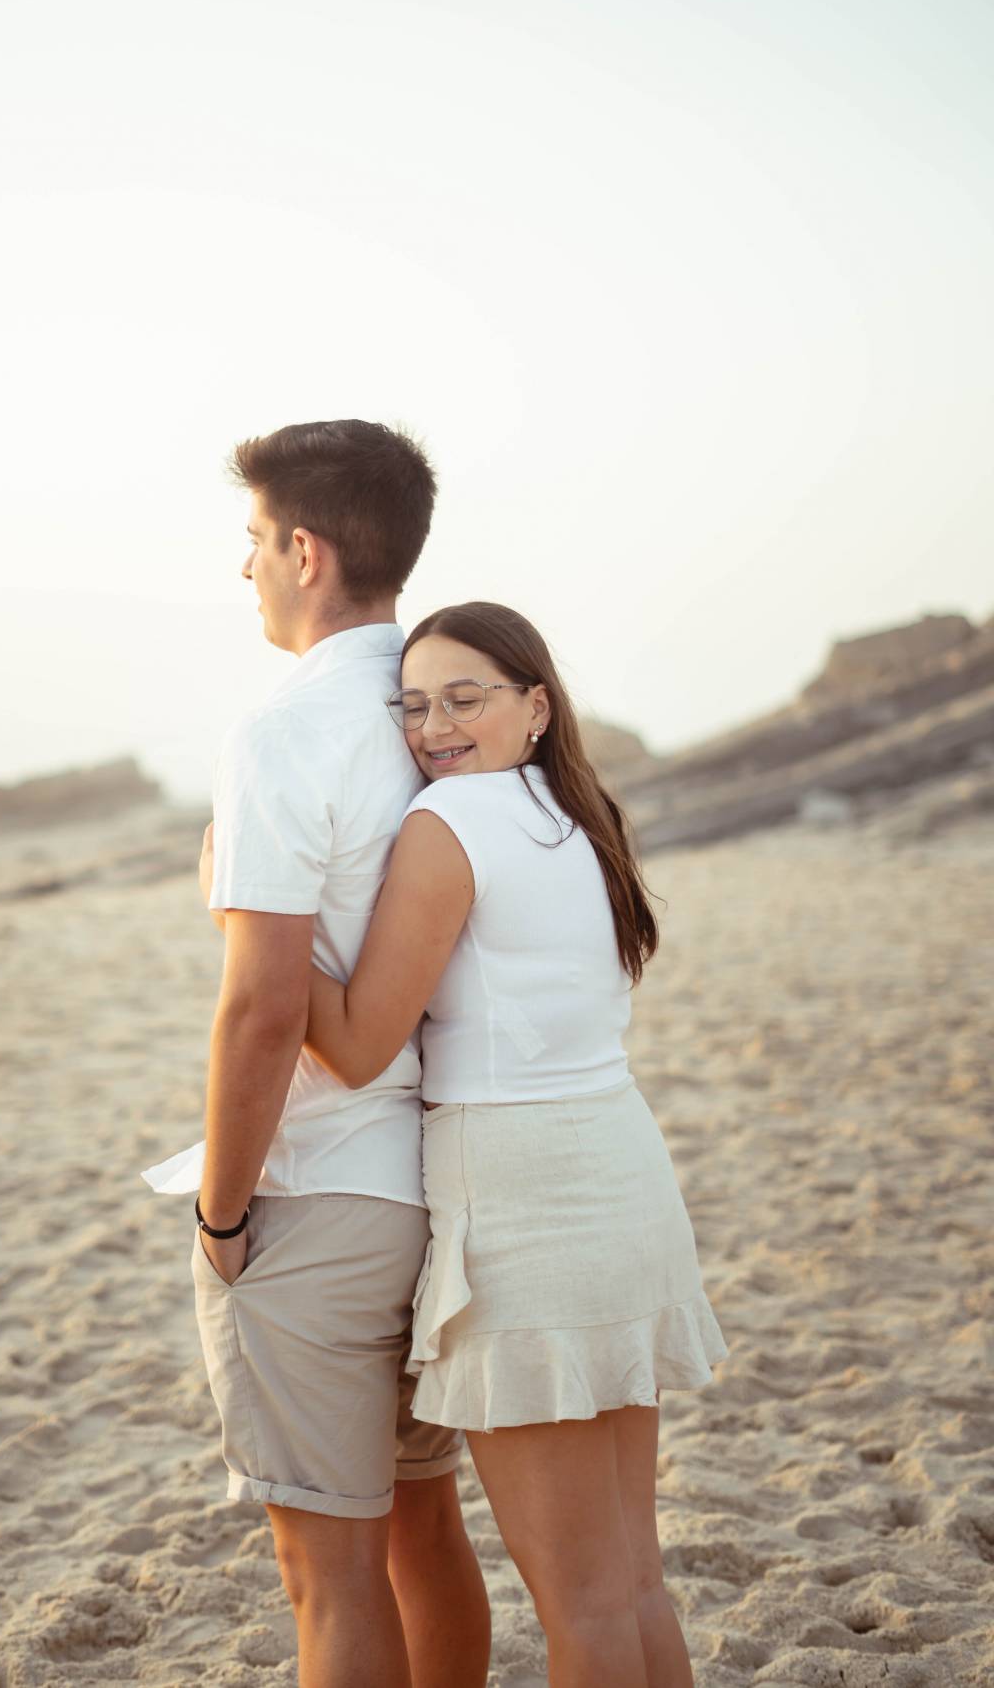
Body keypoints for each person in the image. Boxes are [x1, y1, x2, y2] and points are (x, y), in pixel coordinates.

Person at [292, 600, 729, 1688]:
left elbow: (351, 1043)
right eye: (415, 705)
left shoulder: (452, 827)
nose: (435, 726)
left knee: (580, 1598)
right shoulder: (579, 818)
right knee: (631, 1579)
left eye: (465, 697)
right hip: (621, 1176)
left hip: (527, 1203)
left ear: (536, 705)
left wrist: (255, 921)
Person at [142, 421, 490, 1688]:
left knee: (328, 1579)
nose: (244, 572)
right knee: (425, 1529)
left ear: (305, 548)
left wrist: (223, 1214)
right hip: (439, 1180)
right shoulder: (447, 709)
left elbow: (260, 1010)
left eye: (251, 543)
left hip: (318, 1198)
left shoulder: (284, 731)